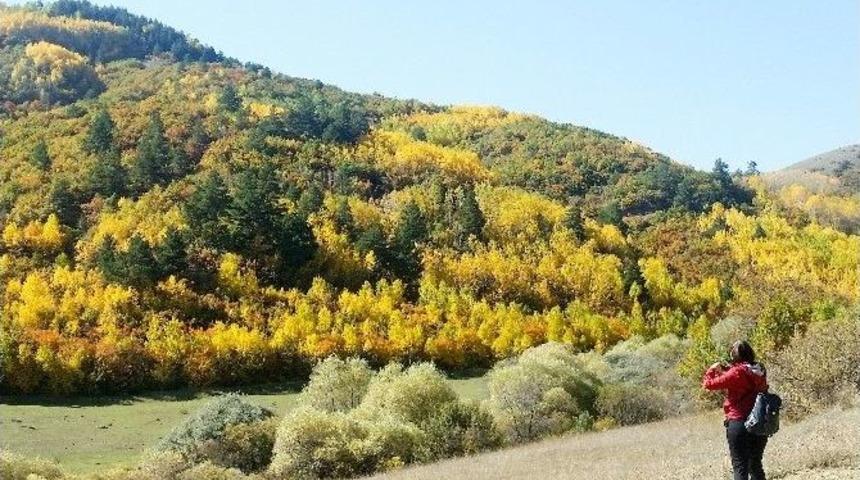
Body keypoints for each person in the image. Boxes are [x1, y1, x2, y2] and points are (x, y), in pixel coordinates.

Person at [702, 340, 769, 480]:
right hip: (759, 420)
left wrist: (712, 370)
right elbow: (744, 374)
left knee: (740, 466)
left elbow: (709, 385)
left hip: (739, 422)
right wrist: (726, 370)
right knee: (755, 464)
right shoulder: (760, 369)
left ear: (734, 356)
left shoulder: (736, 372)